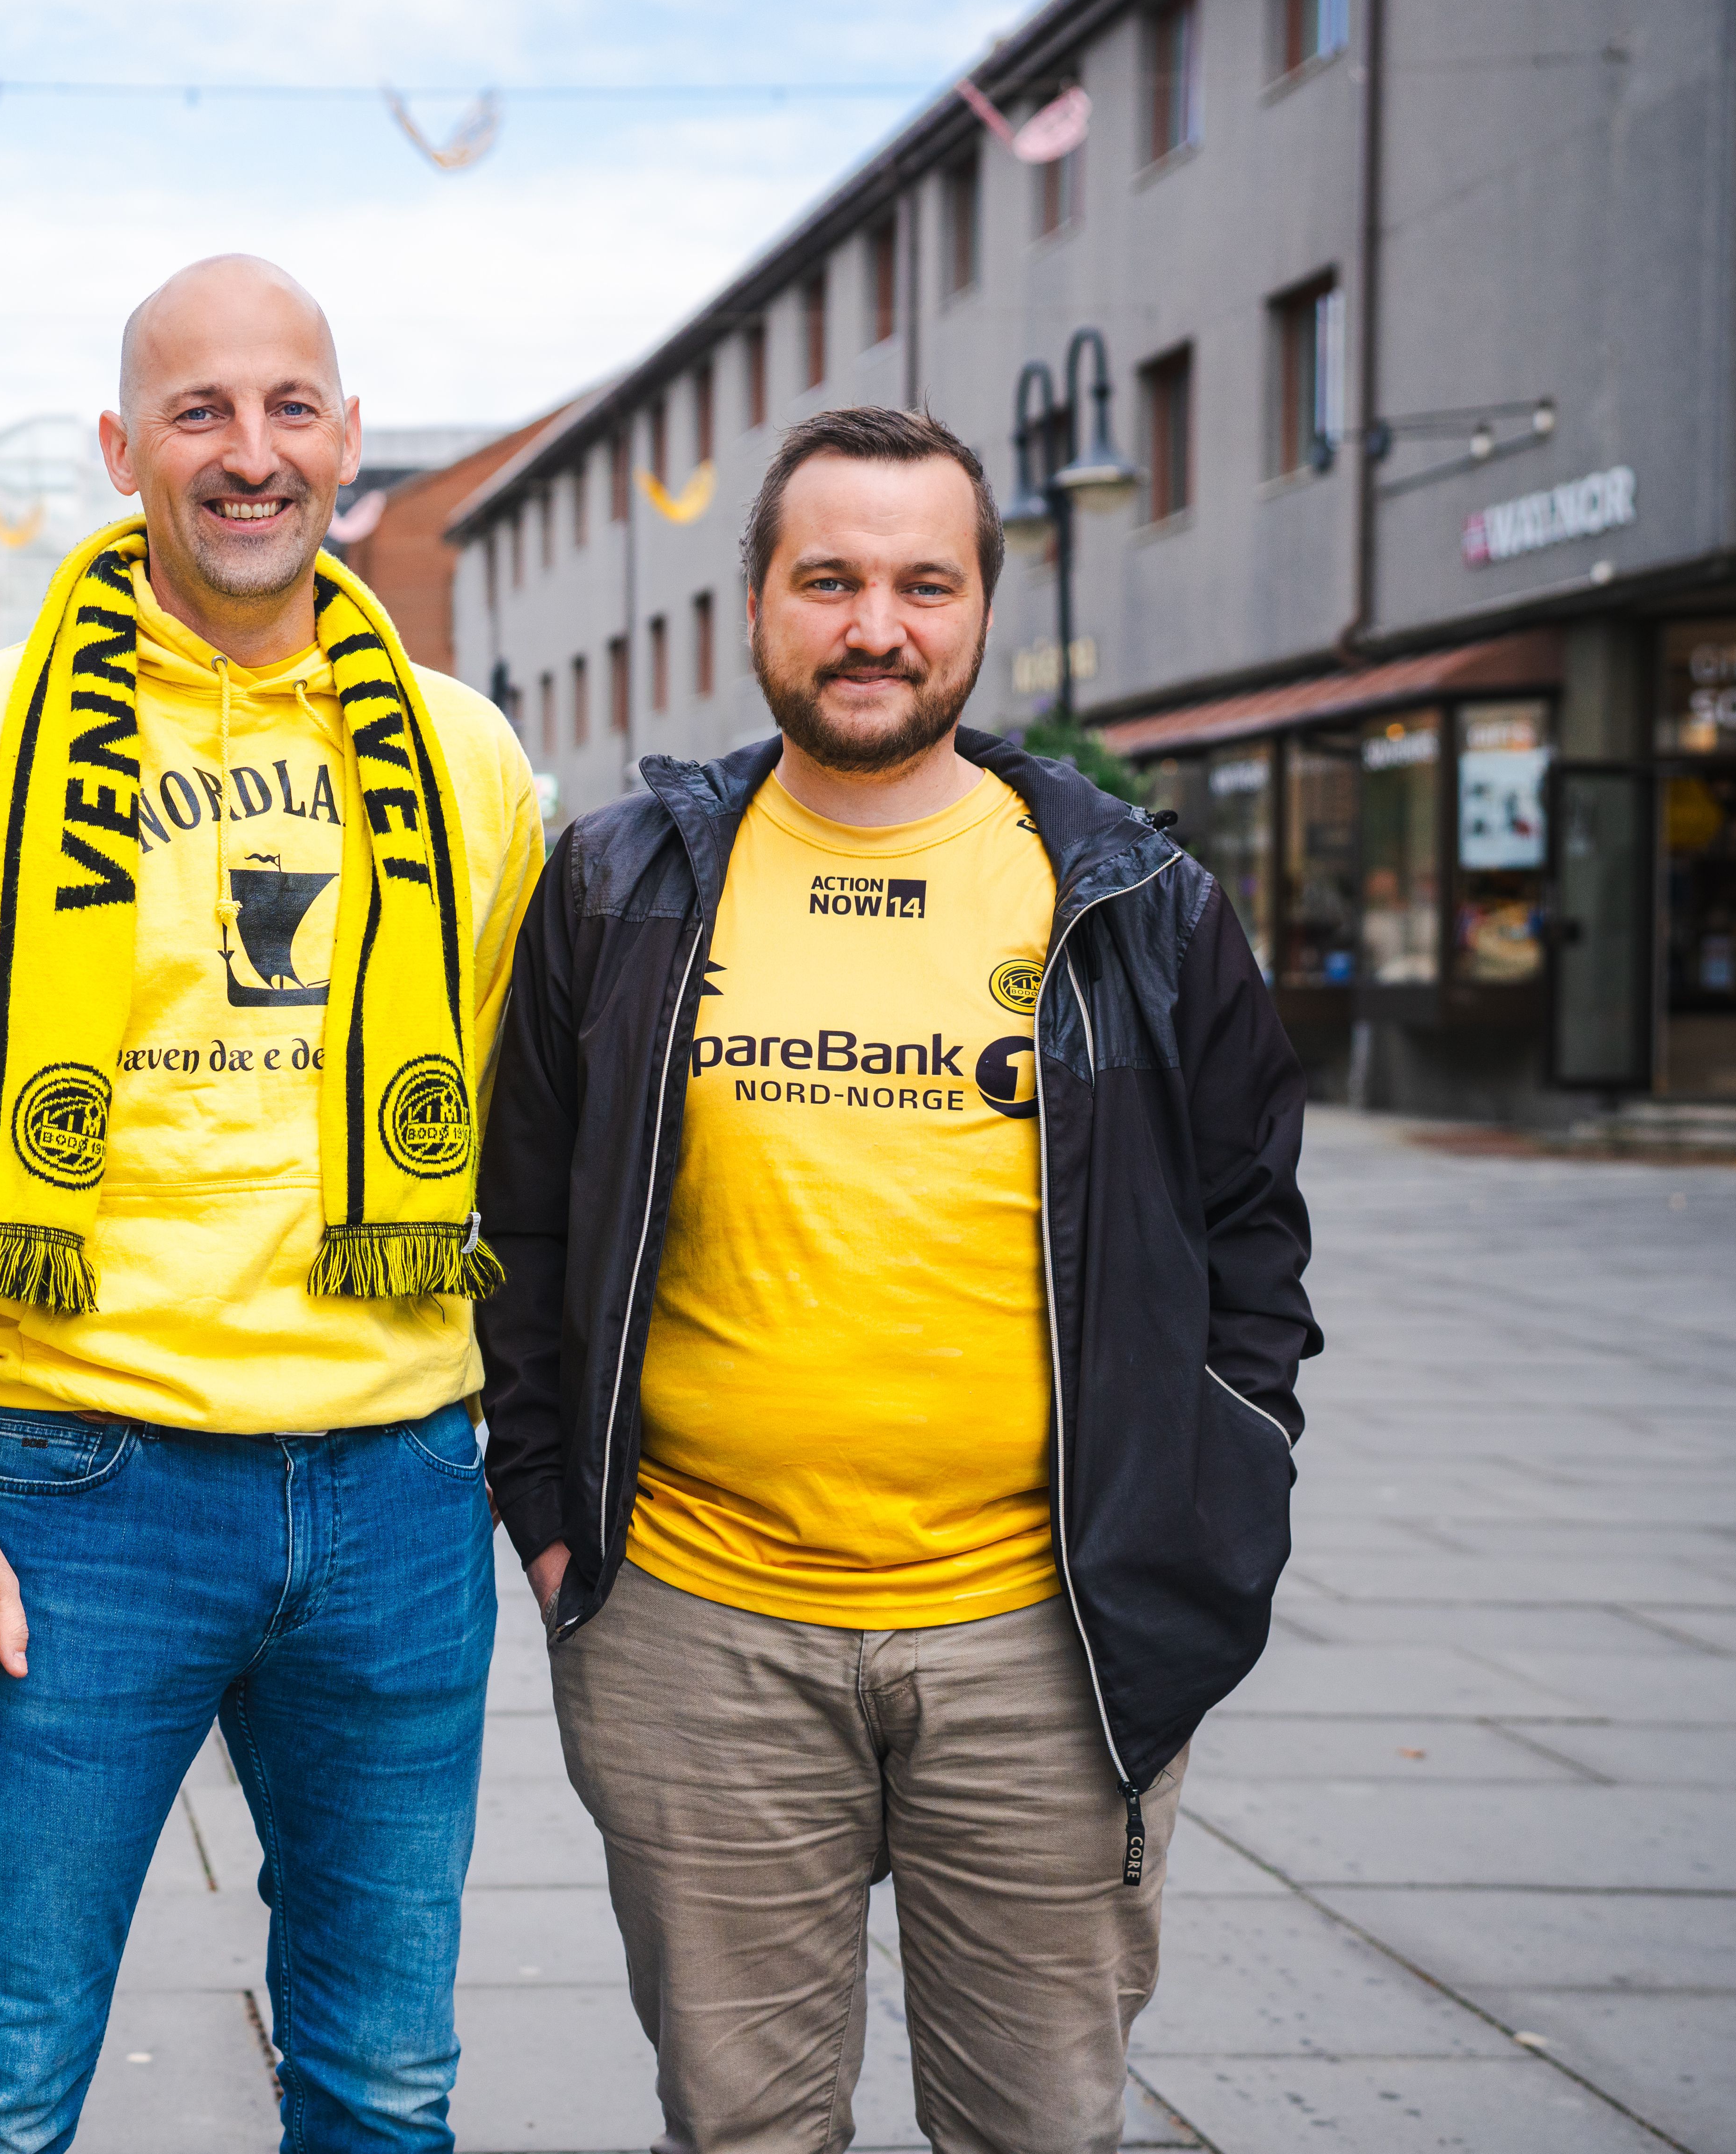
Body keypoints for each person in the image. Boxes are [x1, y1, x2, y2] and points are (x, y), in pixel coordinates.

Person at [475, 404, 1317, 2154]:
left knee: (1039, 2130)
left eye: (925, 585)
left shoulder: (1136, 900)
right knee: (742, 2132)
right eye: (830, 580)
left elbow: (1253, 1234)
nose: (876, 627)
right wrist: (549, 1511)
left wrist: (1220, 1493)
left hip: (1050, 1640)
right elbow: (524, 1217)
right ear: (757, 605)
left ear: (983, 606)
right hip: (695, 1627)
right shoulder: (619, 888)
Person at [0, 255, 543, 2153]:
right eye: (198, 411)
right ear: (119, 447)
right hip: (76, 1490)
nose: (249, 452)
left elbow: (505, 1124)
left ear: (349, 438)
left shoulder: (468, 761)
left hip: (398, 1488)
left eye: (289, 406)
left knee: (387, 2080)